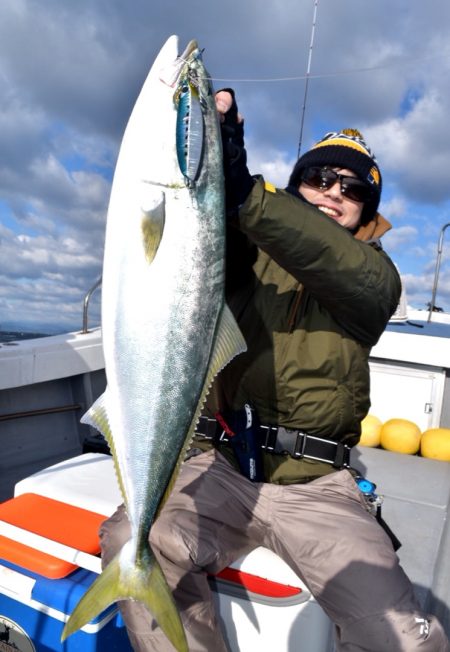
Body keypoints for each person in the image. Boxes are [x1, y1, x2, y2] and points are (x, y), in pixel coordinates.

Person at [100, 90, 450, 651]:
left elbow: (336, 263)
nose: (334, 193)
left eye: (353, 188)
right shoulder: (242, 254)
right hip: (222, 465)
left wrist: (249, 192)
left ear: (367, 208)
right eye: (319, 178)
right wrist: (214, 167)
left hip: (318, 486)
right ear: (296, 185)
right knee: (130, 541)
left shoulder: (374, 276)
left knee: (407, 642)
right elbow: (192, 237)